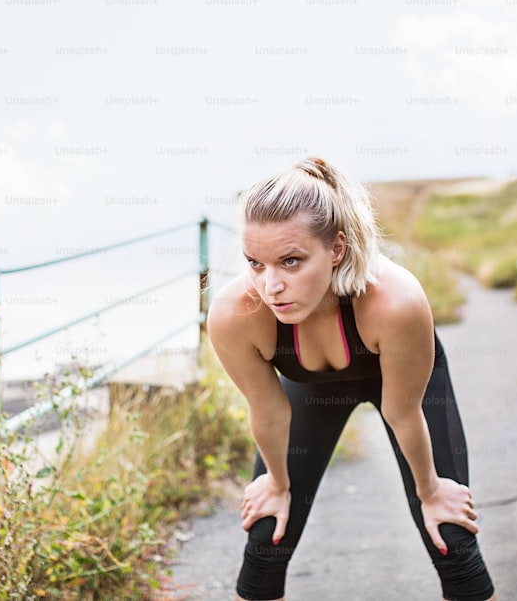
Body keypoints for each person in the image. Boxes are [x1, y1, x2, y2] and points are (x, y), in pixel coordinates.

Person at [206, 157, 496, 601]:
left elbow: (403, 413)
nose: (272, 286)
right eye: (255, 263)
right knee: (268, 534)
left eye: (291, 261)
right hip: (311, 390)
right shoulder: (235, 313)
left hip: (403, 387)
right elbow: (267, 411)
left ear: (336, 248)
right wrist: (278, 485)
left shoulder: (395, 302)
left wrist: (431, 491)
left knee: (451, 539)